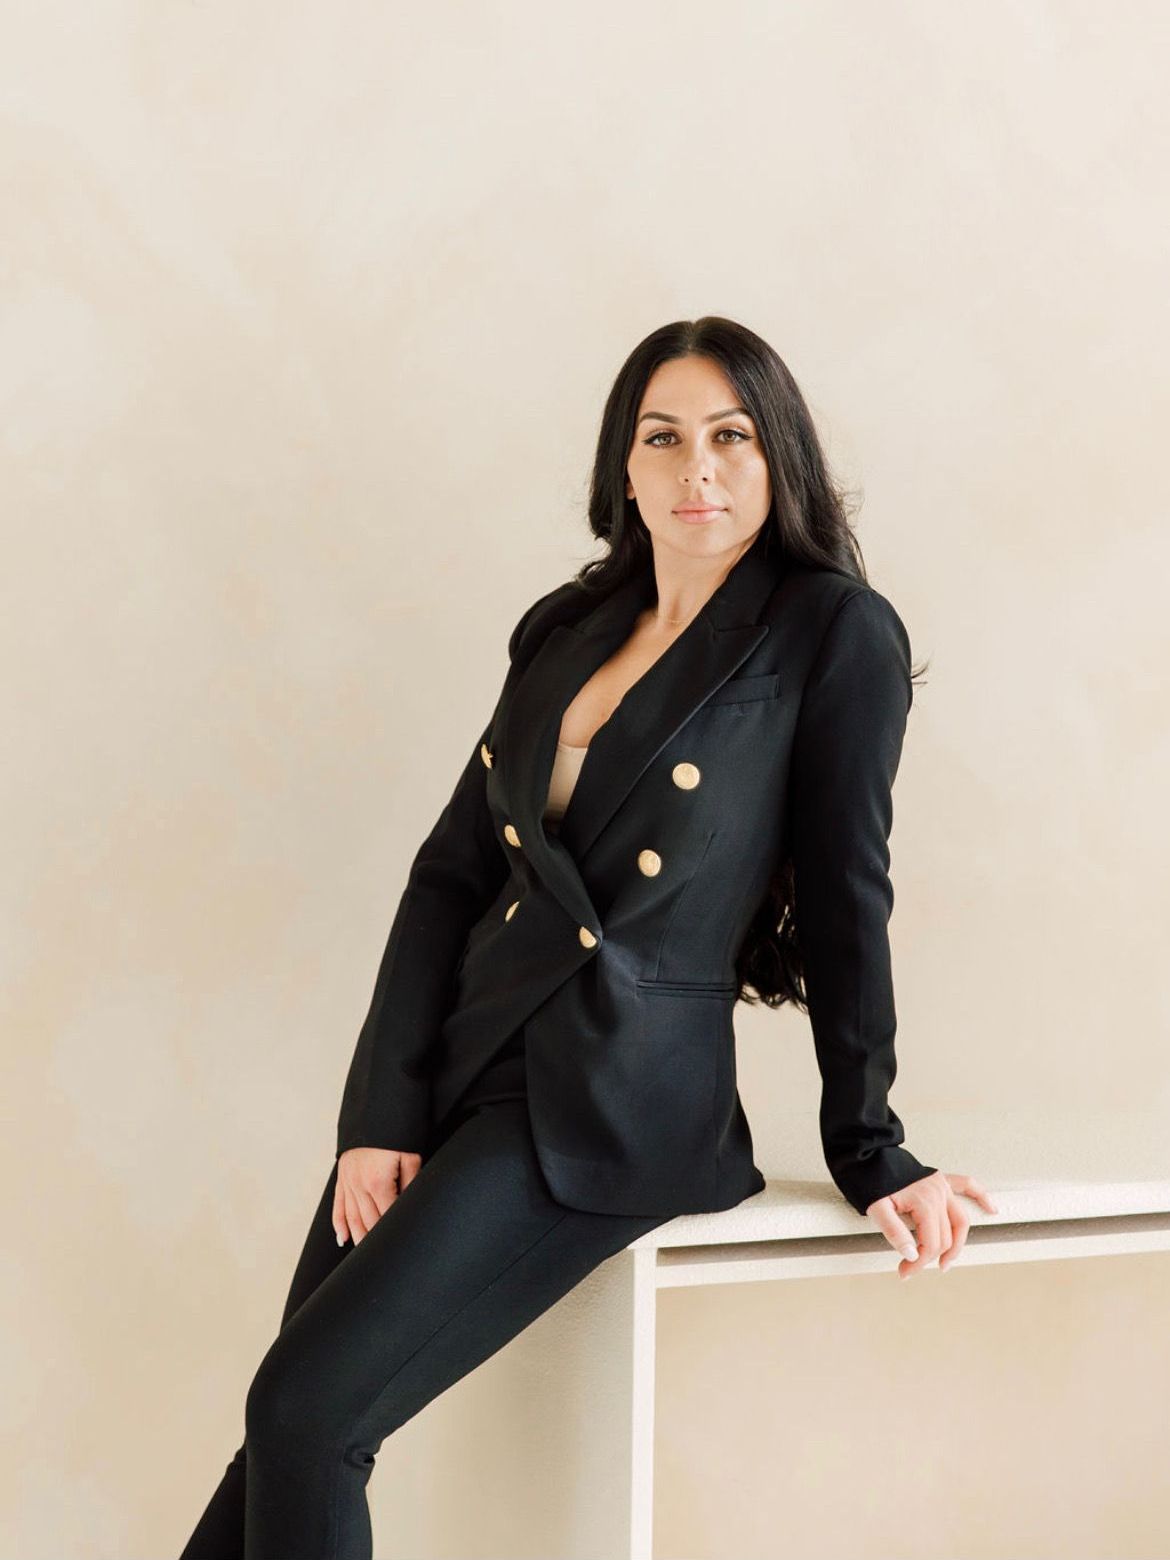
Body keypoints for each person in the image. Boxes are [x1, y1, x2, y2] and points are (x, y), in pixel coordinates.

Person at [179, 316, 996, 1560]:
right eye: (662, 438)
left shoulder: (830, 631)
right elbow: (452, 874)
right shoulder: (564, 631)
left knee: (305, 1417)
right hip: (463, 1061)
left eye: (730, 436)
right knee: (283, 1425)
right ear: (624, 466)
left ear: (779, 459)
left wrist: (869, 1143)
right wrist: (381, 1113)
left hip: (614, 1098)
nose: (696, 469)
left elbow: (847, 896)